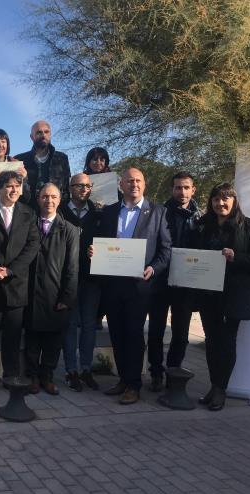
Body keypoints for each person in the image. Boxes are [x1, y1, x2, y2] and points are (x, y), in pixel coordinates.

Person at [90, 167, 172, 405]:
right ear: (120, 185)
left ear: (144, 184)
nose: (134, 184)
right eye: (129, 181)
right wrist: (94, 251)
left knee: (134, 335)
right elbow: (101, 244)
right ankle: (124, 380)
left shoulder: (158, 212)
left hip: (140, 286)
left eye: (138, 181)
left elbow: (166, 250)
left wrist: (154, 268)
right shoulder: (109, 212)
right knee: (116, 333)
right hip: (113, 284)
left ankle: (134, 385)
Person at [194, 182, 250, 411]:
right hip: (208, 294)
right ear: (211, 202)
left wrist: (236, 256)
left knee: (226, 343)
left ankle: (220, 390)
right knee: (211, 342)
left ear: (234, 201)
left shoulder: (248, 226)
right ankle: (213, 385)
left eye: (226, 198)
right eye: (216, 199)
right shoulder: (202, 225)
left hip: (233, 296)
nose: (221, 203)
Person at [0, 171, 39, 398]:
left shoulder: (28, 213)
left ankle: (11, 377)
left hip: (15, 284)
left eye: (17, 186)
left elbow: (32, 246)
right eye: (9, 186)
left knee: (12, 338)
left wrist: (11, 270)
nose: (14, 190)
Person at [146, 172, 203, 391]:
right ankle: (156, 372)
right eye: (178, 187)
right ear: (172, 189)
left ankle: (174, 371)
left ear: (193, 189)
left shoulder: (201, 217)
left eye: (186, 187)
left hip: (186, 283)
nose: (182, 192)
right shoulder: (159, 213)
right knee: (156, 331)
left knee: (181, 333)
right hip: (160, 281)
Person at [24, 183, 79, 395]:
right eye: (45, 196)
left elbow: (72, 268)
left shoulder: (70, 230)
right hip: (30, 292)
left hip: (56, 294)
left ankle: (47, 377)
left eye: (53, 197)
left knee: (53, 341)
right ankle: (32, 377)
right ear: (38, 199)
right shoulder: (29, 224)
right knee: (31, 340)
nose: (49, 201)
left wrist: (67, 297)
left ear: (59, 199)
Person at [59, 173, 102, 391]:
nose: (83, 189)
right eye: (79, 185)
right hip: (67, 278)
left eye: (87, 186)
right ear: (70, 187)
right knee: (70, 325)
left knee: (88, 326)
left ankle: (86, 368)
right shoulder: (60, 211)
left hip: (92, 278)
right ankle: (71, 370)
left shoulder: (99, 213)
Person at [14, 120, 70, 204]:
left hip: (55, 210)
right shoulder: (20, 160)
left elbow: (67, 187)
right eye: (39, 132)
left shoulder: (61, 159)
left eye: (46, 132)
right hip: (28, 210)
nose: (43, 135)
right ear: (31, 137)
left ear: (50, 134)